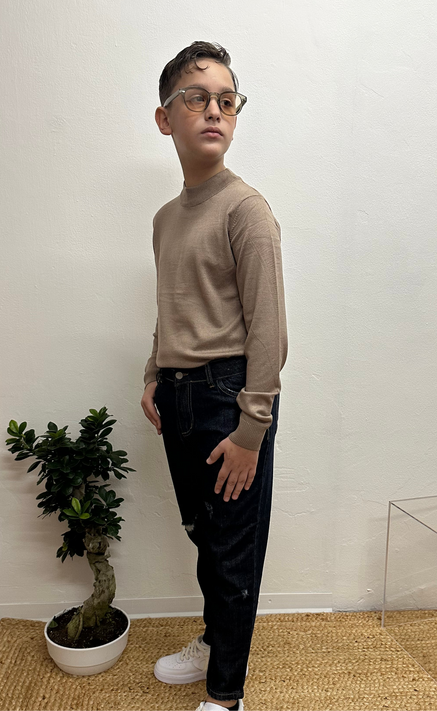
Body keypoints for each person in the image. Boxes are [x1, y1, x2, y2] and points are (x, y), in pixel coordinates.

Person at [140, 41, 289, 711]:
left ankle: (226, 695)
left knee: (233, 549)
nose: (214, 111)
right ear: (164, 118)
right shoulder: (165, 219)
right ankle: (213, 638)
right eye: (197, 97)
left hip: (231, 396)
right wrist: (154, 370)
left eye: (227, 100)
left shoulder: (245, 209)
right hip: (178, 397)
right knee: (203, 533)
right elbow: (171, 303)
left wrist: (252, 429)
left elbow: (268, 328)